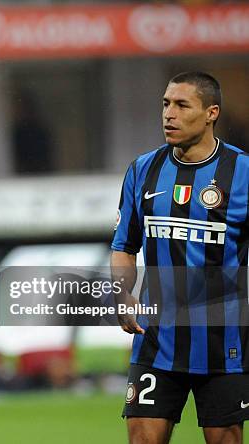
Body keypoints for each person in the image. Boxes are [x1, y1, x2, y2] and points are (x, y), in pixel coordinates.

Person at [111, 72, 249, 444]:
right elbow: (124, 246)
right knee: (142, 437)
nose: (169, 114)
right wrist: (123, 295)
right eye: (165, 104)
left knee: (225, 439)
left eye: (182, 105)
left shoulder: (242, 173)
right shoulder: (143, 170)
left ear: (210, 113)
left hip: (223, 341)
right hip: (156, 337)